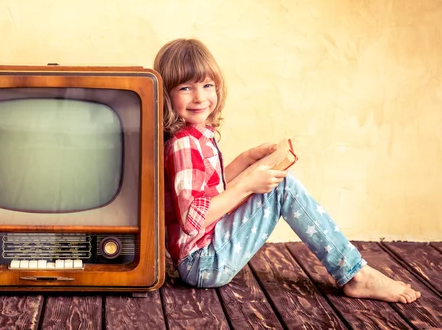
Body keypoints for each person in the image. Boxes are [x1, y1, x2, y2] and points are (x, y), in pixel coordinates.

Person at [153, 38, 421, 304]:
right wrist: (247, 185)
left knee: (275, 180)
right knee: (282, 187)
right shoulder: (184, 144)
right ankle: (355, 274)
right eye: (186, 88)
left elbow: (210, 189)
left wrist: (247, 160)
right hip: (203, 262)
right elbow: (192, 219)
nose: (200, 97)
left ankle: (354, 271)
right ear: (167, 95)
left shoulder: (196, 135)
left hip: (205, 255)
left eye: (207, 85)